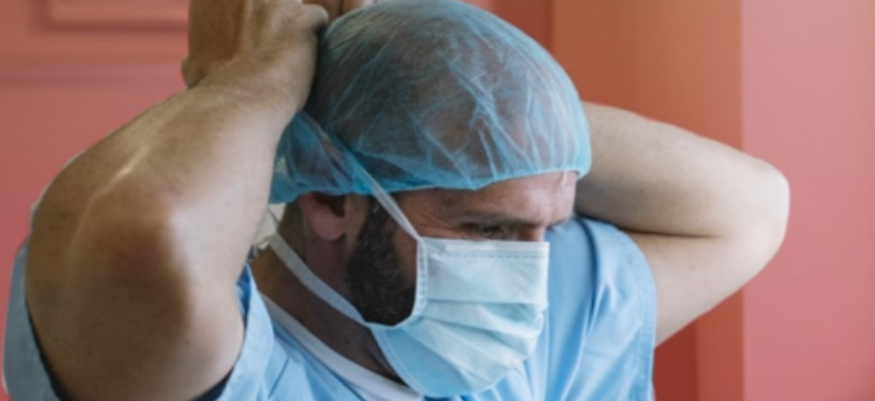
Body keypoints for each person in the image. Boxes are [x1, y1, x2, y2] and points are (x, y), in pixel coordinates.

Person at [2, 0, 790, 400]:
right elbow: (144, 234)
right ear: (330, 199)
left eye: (547, 228)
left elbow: (748, 207)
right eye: (487, 227)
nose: (531, 274)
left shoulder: (527, 350)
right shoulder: (223, 367)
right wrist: (255, 77)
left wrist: (459, 85)